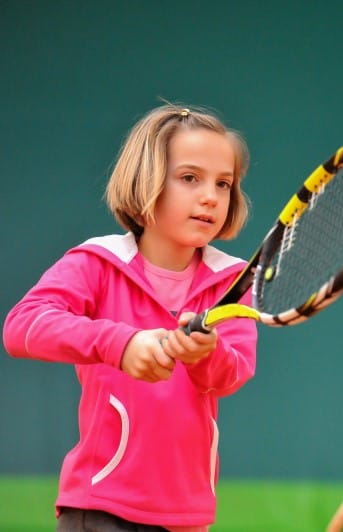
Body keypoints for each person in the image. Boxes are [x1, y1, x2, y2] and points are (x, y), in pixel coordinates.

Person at [3, 104, 258, 531]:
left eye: (224, 183)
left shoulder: (232, 281)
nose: (211, 196)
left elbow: (232, 374)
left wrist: (203, 355)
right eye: (190, 178)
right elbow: (22, 326)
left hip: (189, 517)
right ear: (147, 182)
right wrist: (120, 345)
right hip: (100, 510)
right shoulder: (95, 263)